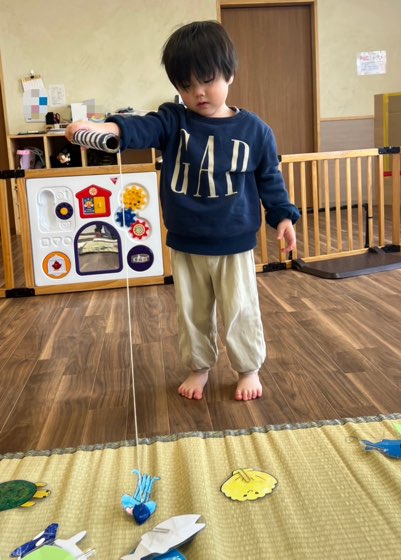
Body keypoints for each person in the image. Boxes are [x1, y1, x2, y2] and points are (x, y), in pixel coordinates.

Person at [65, 20, 300, 402]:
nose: (198, 93)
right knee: (192, 312)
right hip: (187, 242)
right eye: (186, 86)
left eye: (207, 81)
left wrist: (283, 216)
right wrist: (107, 128)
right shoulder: (174, 121)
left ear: (229, 74)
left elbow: (269, 177)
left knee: (240, 310)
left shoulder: (255, 130)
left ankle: (248, 368)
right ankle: (199, 366)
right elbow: (142, 128)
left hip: (234, 242)